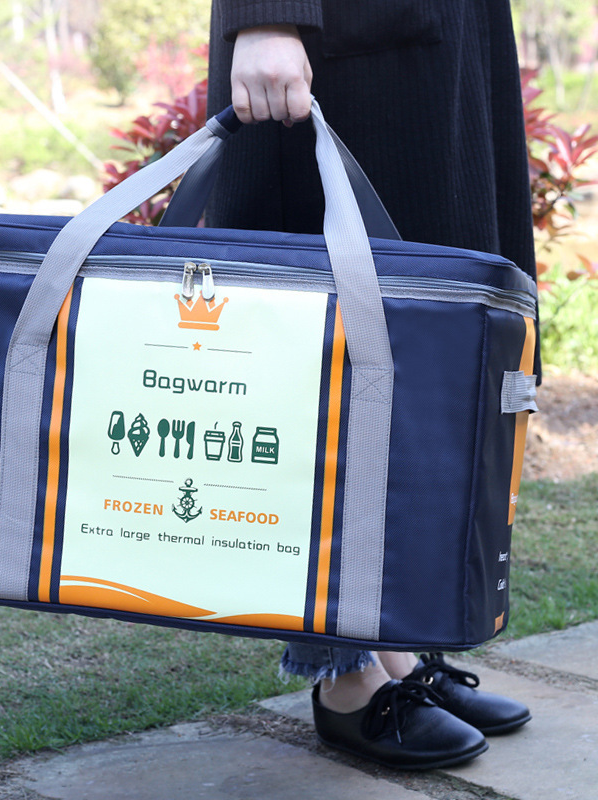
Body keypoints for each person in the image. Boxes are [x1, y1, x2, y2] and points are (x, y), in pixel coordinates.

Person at [205, 1, 534, 770]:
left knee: (417, 353)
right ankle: (344, 674)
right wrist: (264, 18)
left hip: (438, 49)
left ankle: (392, 648)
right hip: (338, 49)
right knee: (325, 366)